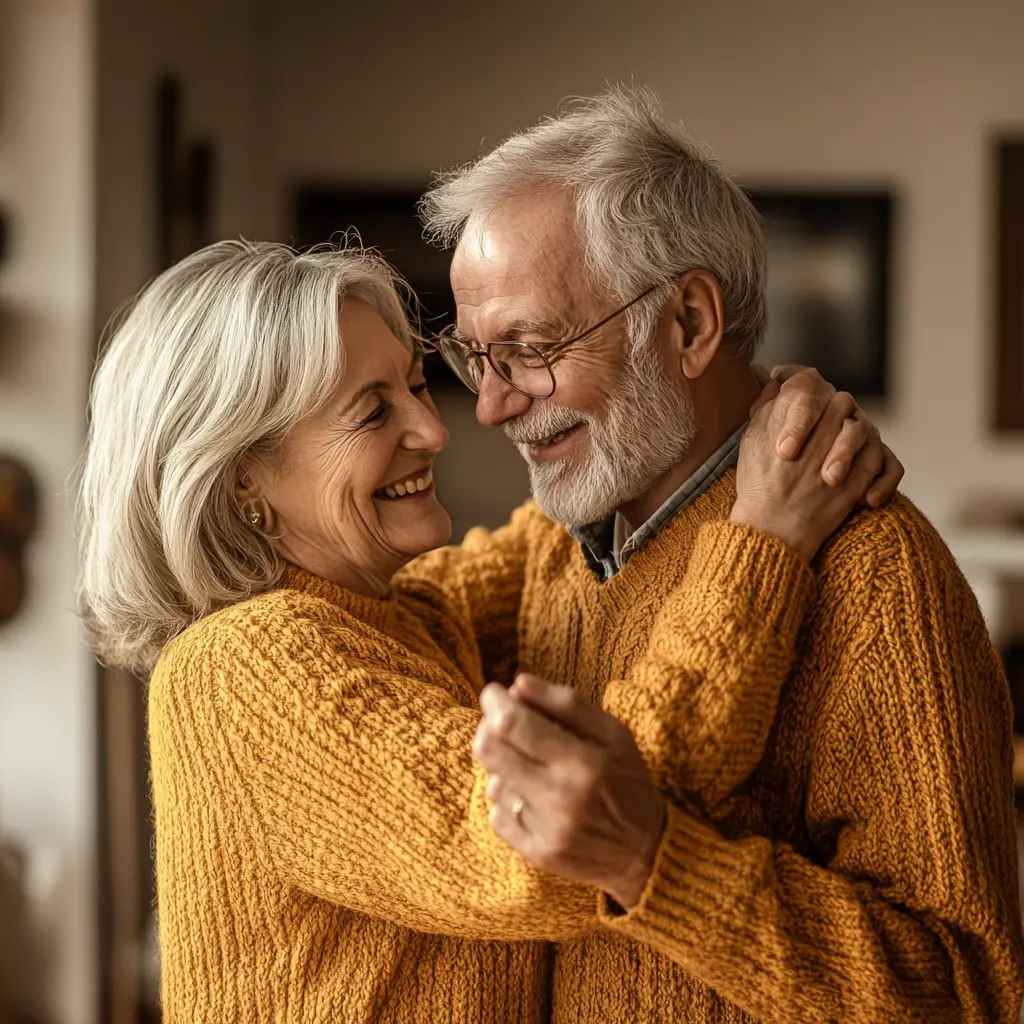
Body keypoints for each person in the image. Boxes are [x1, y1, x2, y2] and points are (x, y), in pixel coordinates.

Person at [76, 240, 895, 1023]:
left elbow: (559, 540)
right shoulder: (239, 668)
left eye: (416, 385)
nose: (433, 432)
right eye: (371, 412)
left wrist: (770, 414)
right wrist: (764, 542)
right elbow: (569, 829)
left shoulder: (408, 616)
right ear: (241, 479)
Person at [416, 85, 1024, 1023]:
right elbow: (369, 608)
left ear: (690, 325)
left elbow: (962, 995)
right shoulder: (553, 547)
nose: (491, 407)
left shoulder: (878, 577)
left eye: (530, 349)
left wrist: (655, 862)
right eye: (475, 358)